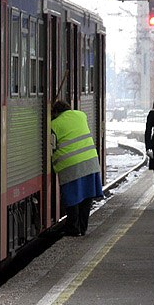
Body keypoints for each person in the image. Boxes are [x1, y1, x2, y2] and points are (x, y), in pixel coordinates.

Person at [51, 99, 104, 236]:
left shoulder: (54, 124)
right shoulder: (81, 115)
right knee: (87, 196)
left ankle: (73, 228)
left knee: (72, 197)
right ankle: (83, 227)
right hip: (90, 161)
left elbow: (52, 145)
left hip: (70, 164)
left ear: (56, 112)